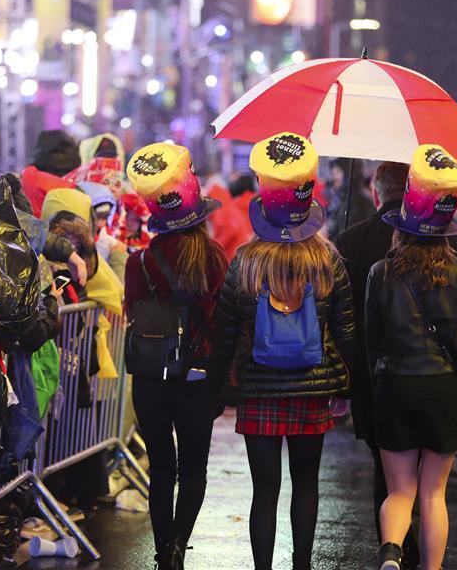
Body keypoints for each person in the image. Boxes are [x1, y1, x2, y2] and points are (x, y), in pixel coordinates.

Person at [214, 133, 355, 570]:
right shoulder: (327, 260)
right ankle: (303, 566)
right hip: (311, 391)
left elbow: (225, 328)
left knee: (264, 492)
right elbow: (346, 331)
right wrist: (350, 383)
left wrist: (221, 385)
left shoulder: (246, 260)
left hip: (258, 389)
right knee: (307, 486)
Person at [366, 145, 457, 570]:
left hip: (395, 387)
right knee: (433, 494)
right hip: (445, 390)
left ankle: (391, 553)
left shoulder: (381, 272)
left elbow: (373, 341)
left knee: (399, 492)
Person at [123, 143, 227, 570]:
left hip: (150, 378)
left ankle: (161, 545)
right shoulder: (214, 259)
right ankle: (178, 546)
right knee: (193, 469)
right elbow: (221, 322)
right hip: (197, 377)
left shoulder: (139, 263)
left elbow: (133, 313)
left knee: (161, 467)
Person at [335, 160, 421, 570]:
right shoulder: (434, 239)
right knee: (424, 467)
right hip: (425, 369)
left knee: (382, 465)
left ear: (376, 192)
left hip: (369, 373)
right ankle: (414, 541)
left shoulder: (351, 240)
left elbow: (340, 312)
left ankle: (390, 545)